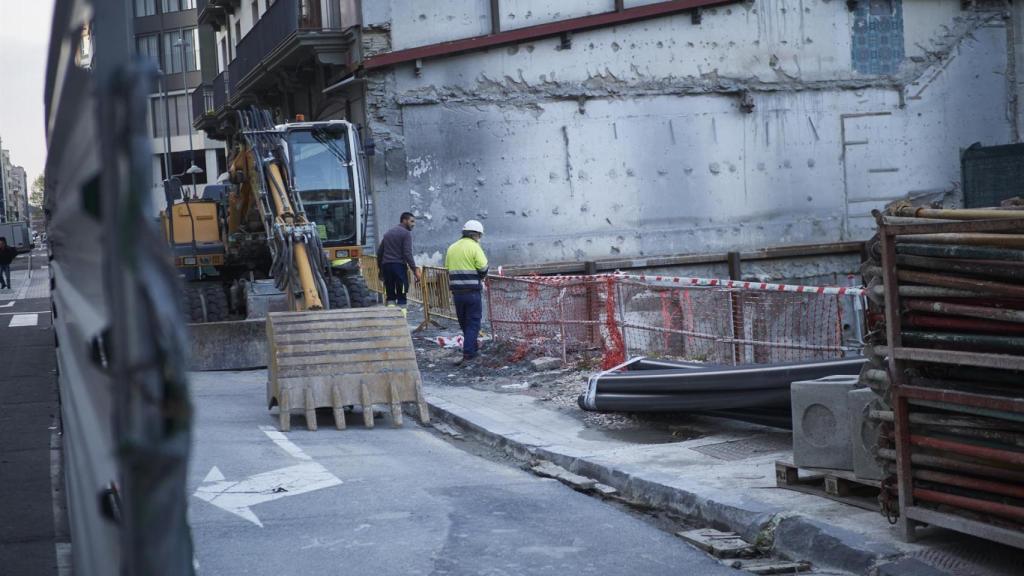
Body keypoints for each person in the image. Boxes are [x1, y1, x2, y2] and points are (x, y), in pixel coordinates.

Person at [444, 220, 488, 366]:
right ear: (475, 234)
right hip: (472, 292)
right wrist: (480, 277)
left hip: (457, 293)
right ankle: (469, 354)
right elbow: (483, 267)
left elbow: (447, 268)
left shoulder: (452, 248)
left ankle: (472, 348)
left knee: (464, 323)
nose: (479, 238)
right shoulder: (474, 247)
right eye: (479, 236)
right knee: (473, 323)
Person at [376, 212, 420, 312]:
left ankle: (391, 320)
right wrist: (415, 270)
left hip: (386, 267)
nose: (413, 224)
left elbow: (380, 253)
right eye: (412, 221)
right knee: (402, 296)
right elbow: (407, 254)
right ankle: (402, 321)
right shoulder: (406, 233)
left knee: (390, 296)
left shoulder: (388, 233)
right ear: (404, 220)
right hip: (399, 267)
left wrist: (381, 270)